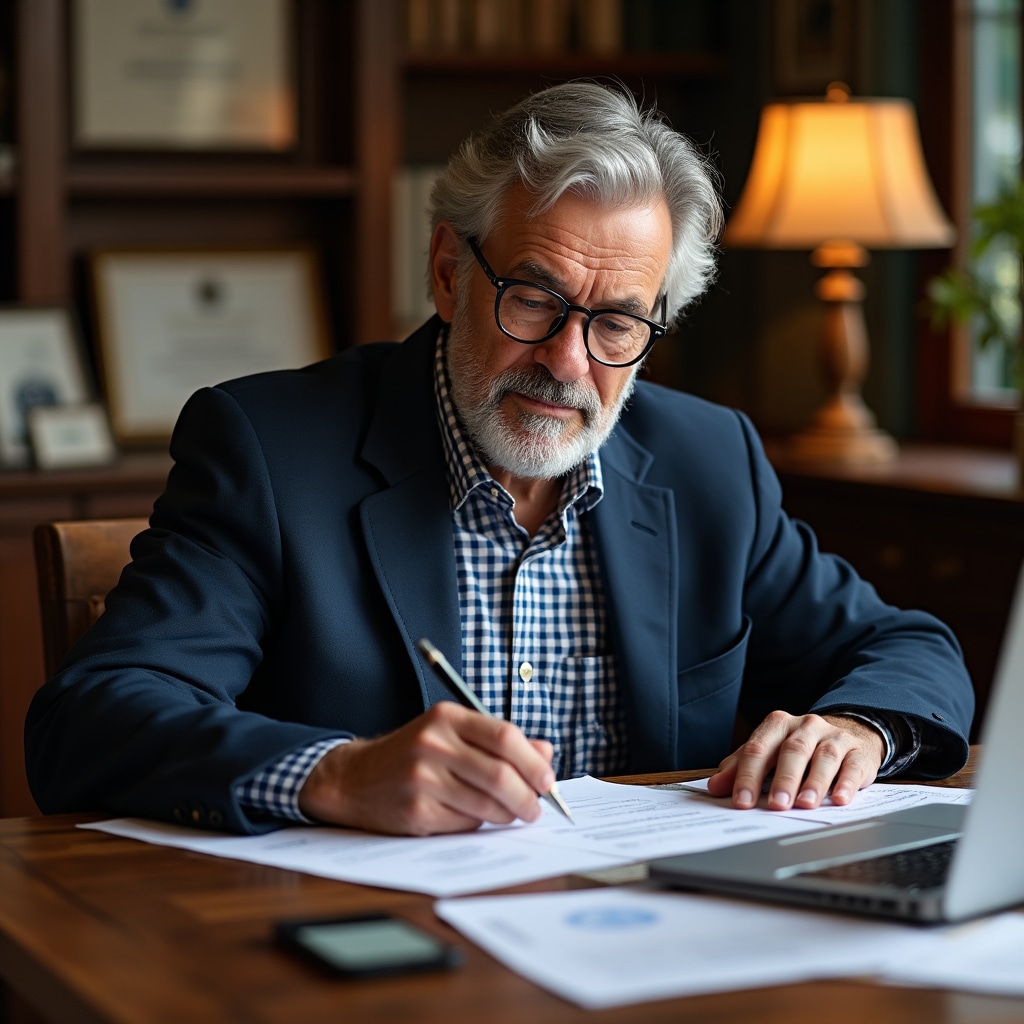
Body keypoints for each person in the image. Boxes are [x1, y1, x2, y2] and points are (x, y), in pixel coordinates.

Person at [25, 82, 974, 837]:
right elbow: (93, 716)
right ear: (448, 272)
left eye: (617, 323)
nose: (567, 362)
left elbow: (908, 647)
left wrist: (857, 729)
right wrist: (337, 774)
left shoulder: (707, 461)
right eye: (533, 299)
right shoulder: (271, 449)